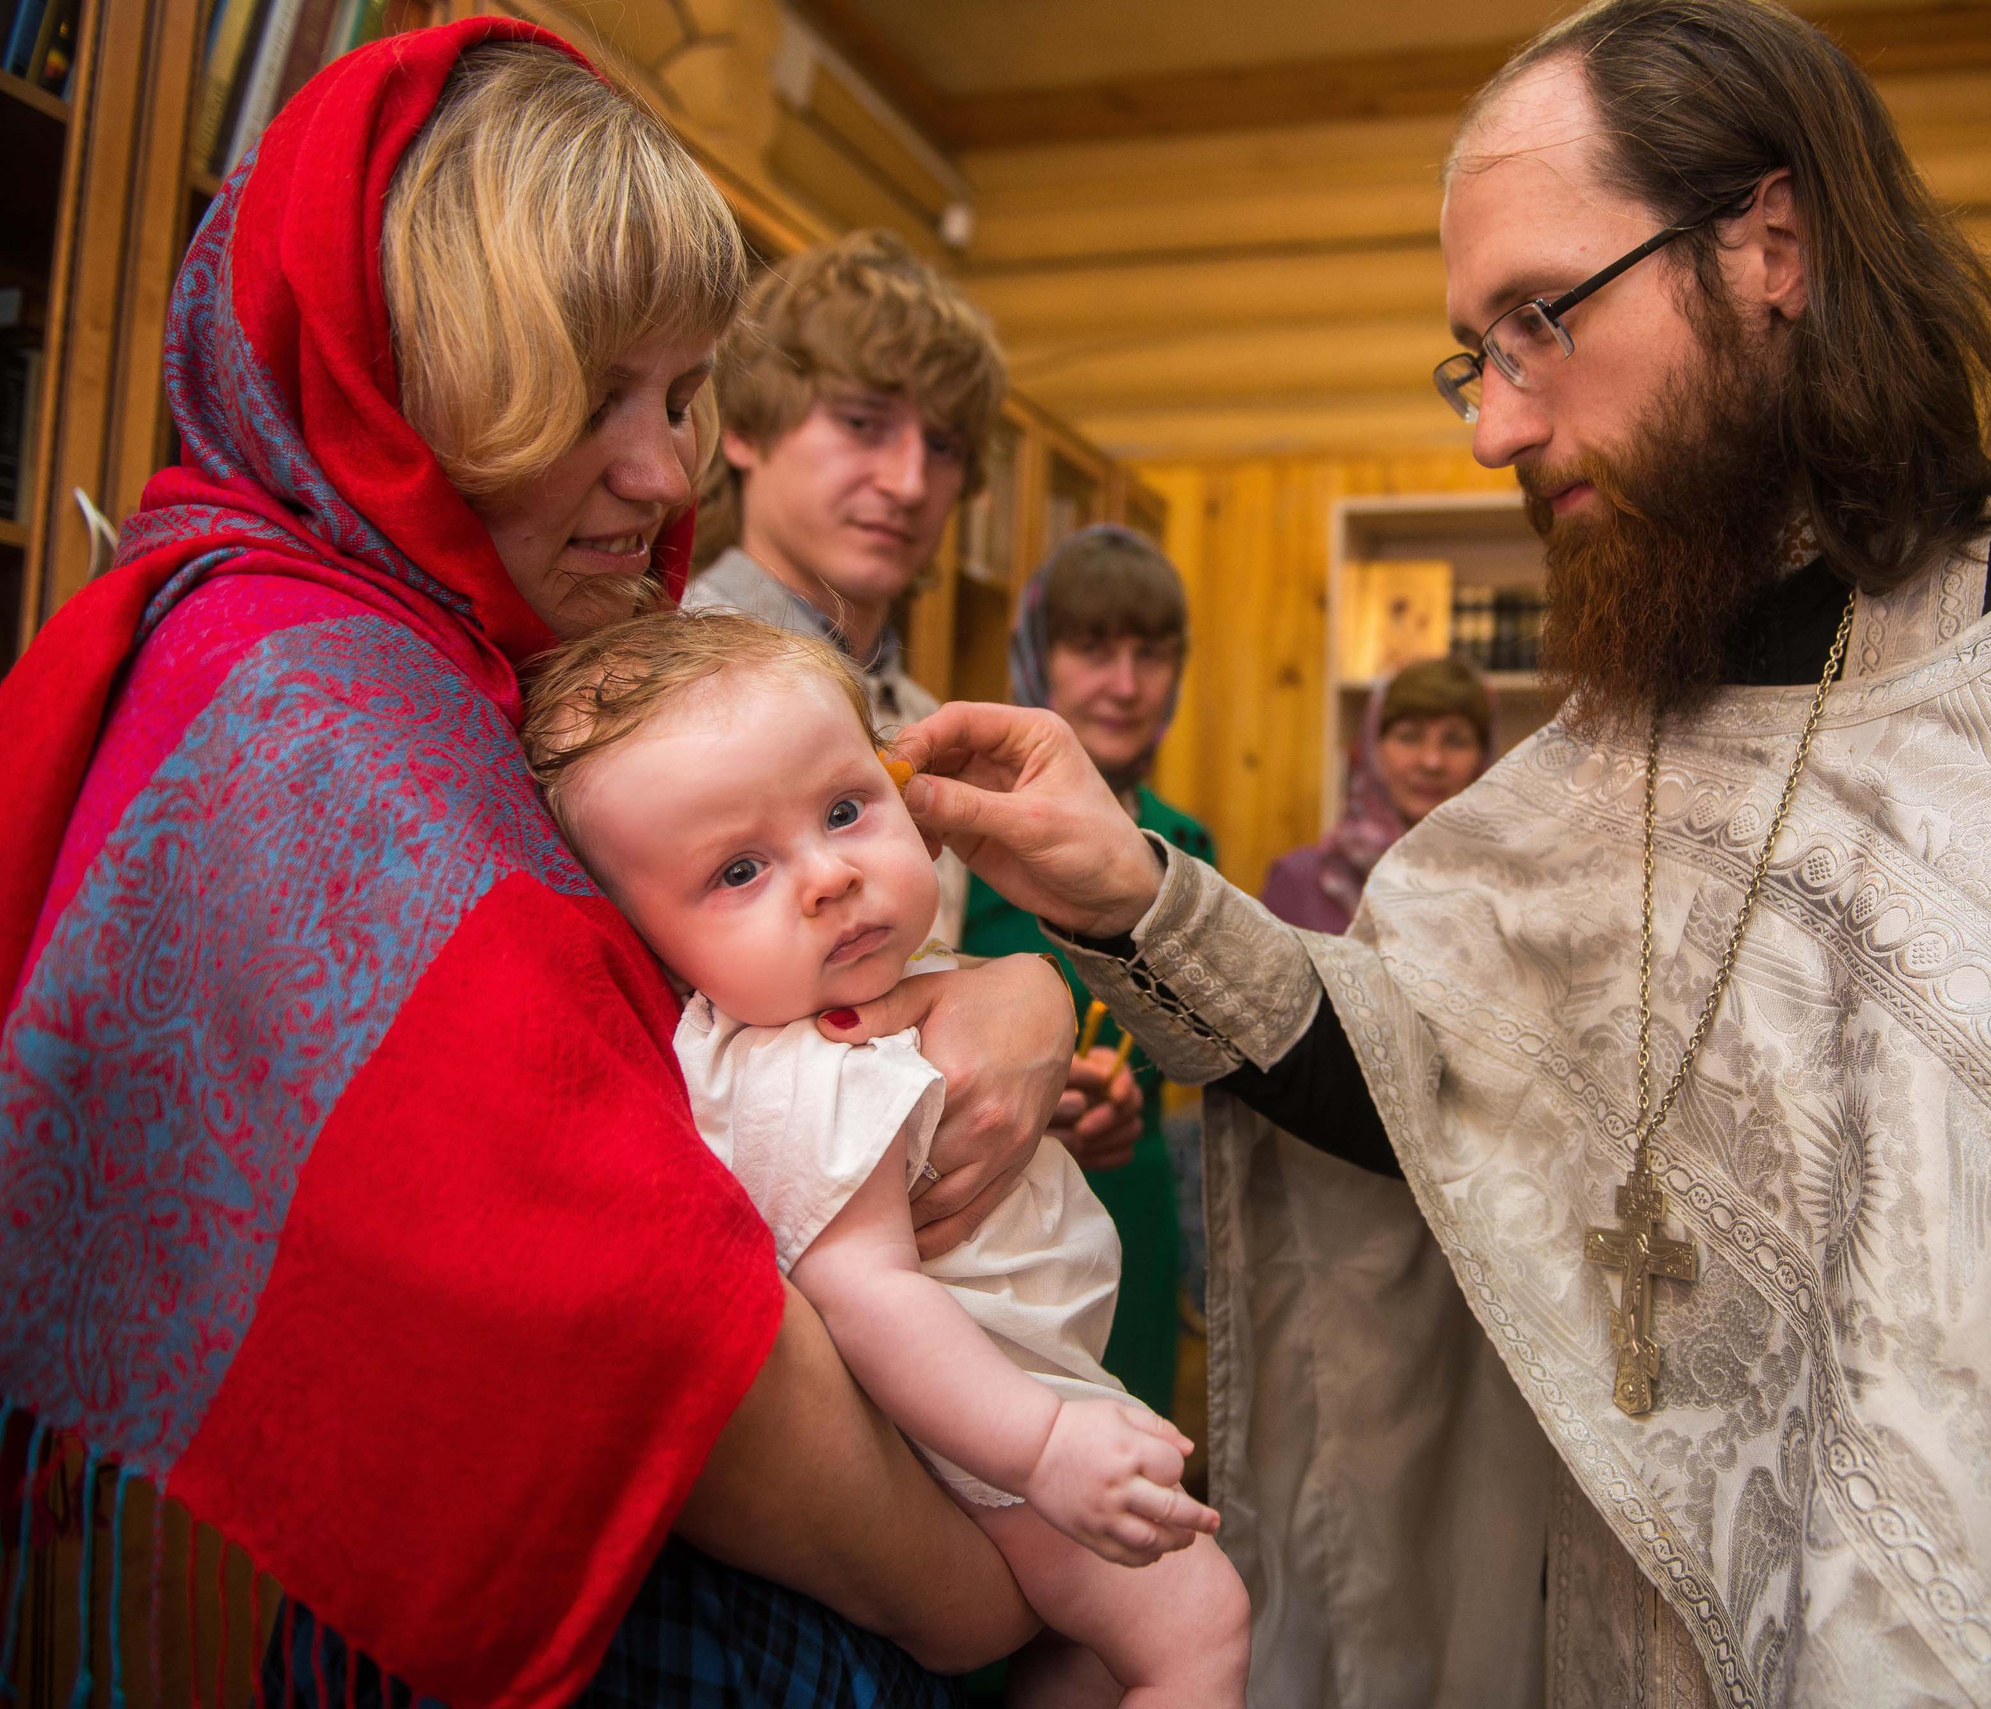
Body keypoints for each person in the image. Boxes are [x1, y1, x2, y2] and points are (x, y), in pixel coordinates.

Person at [879, 1, 1991, 1701]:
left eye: (1538, 322)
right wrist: (1125, 886)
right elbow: (1433, 1090)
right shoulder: (1623, 734)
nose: (1491, 425)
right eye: (1469, 353)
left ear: (1768, 246)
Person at [0, 25, 1071, 1704]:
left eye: (679, 394)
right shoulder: (331, 706)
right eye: (587, 398)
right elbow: (649, 1331)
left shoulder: (455, 660)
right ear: (400, 370)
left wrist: (1011, 990)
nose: (657, 476)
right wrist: (994, 1608)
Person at [520, 610, 1250, 1707]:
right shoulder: (810, 1068)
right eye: (737, 870)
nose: (826, 876)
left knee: (1088, 1655)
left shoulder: (831, 1012)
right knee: (1200, 1623)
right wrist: (1044, 1446)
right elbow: (868, 1292)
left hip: (988, 1402)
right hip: (974, 1426)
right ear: (644, 939)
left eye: (845, 808)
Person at [685, 227, 1007, 946]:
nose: (909, 482)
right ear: (742, 429)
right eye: (864, 424)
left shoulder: (926, 721)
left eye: (945, 446)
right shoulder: (664, 685)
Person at [962, 526, 1213, 1418]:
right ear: (1037, 655)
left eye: (1151, 654)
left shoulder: (1186, 846)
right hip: (986, 1215)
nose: (1125, 683)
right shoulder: (972, 833)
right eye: (1092, 648)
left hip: (1130, 1202)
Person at [1263, 656, 1491, 934]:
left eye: (1455, 741)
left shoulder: (1511, 887)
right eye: (1409, 737)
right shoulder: (1300, 882)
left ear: (1483, 760)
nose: (1432, 761)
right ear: (1372, 750)